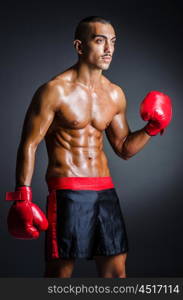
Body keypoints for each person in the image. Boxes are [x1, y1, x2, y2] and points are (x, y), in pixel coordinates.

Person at [5, 16, 172, 278]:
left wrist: (152, 128)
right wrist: (22, 197)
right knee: (61, 273)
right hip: (68, 193)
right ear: (80, 46)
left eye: (113, 42)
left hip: (105, 192)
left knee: (116, 270)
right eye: (99, 41)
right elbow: (29, 144)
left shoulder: (115, 94)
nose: (109, 49)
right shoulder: (54, 91)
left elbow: (124, 148)